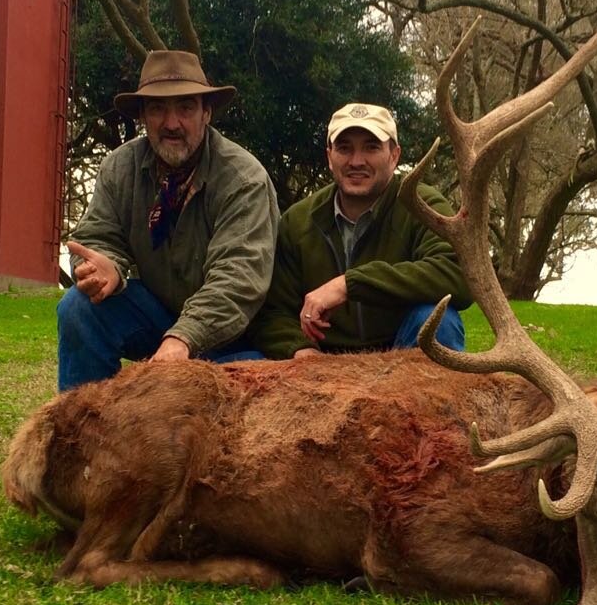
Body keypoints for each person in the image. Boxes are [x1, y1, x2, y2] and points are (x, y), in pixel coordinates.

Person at [57, 50, 279, 390]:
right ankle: (80, 429)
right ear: (143, 116)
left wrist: (183, 339)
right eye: (158, 108)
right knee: (78, 307)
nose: (171, 123)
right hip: (158, 318)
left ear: (207, 113)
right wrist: (105, 271)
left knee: (249, 388)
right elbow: (98, 239)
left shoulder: (243, 179)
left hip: (232, 338)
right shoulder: (119, 167)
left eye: (186, 107)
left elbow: (238, 281)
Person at [252, 102, 470, 359]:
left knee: (438, 320)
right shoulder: (298, 221)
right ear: (329, 156)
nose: (356, 161)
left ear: (394, 155)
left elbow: (458, 275)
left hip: (400, 356)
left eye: (371, 147)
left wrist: (348, 285)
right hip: (322, 362)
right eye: (344, 148)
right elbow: (273, 312)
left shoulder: (423, 206)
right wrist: (301, 349)